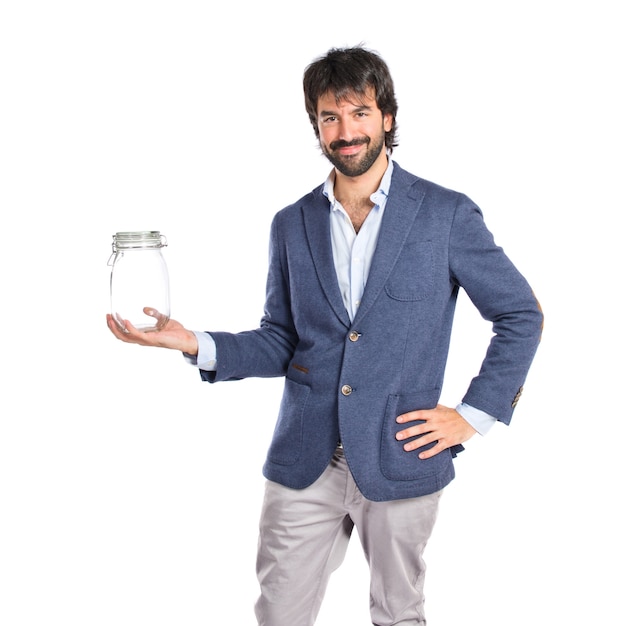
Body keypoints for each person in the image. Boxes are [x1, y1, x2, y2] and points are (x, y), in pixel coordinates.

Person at [107, 45, 543, 626]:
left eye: (359, 112)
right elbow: (282, 340)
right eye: (329, 118)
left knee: (398, 613)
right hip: (304, 457)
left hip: (402, 453)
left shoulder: (446, 215)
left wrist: (475, 413)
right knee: (279, 613)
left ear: (387, 117)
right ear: (315, 126)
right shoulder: (292, 223)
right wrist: (193, 342)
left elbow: (520, 314)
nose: (345, 131)